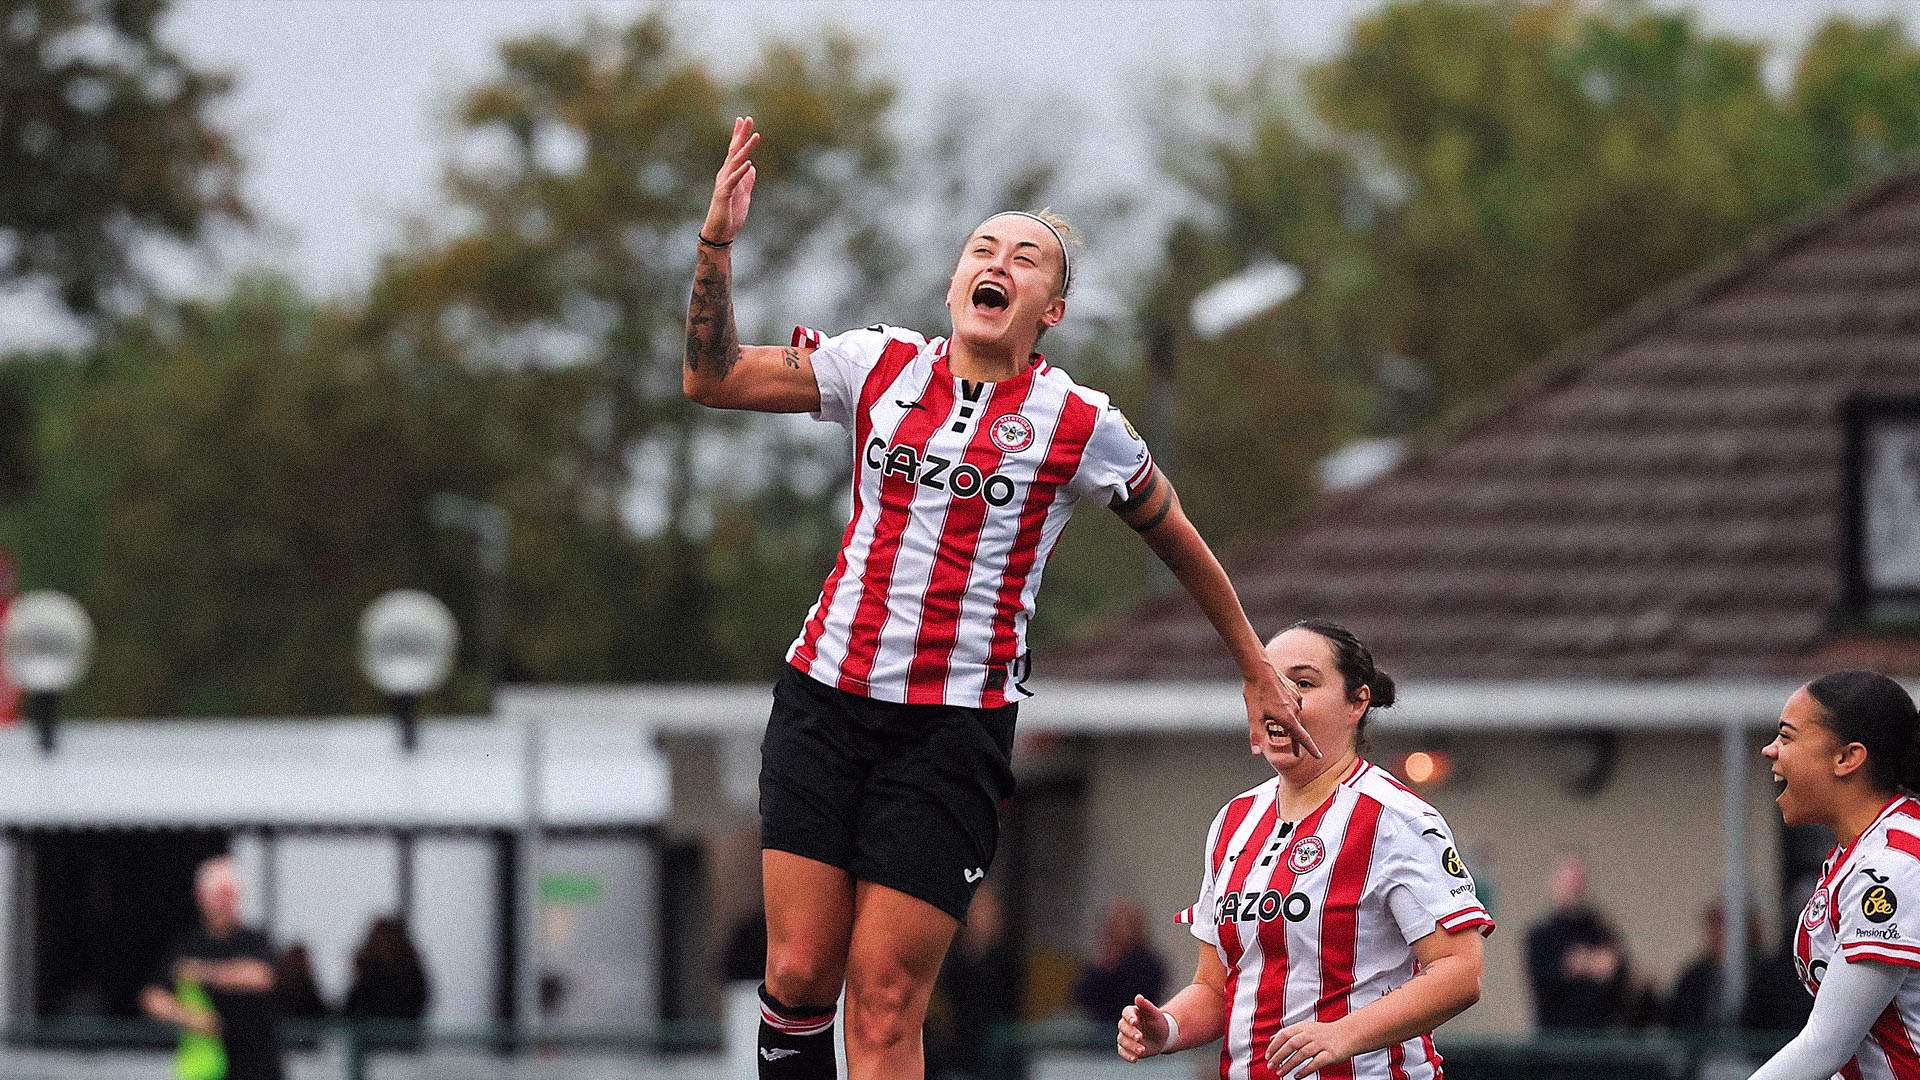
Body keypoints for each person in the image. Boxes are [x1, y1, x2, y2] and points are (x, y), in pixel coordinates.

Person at [684, 116, 1311, 1080]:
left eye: (1026, 259)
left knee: (886, 998)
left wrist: (1254, 665)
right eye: (984, 248)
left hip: (950, 730)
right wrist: (718, 242)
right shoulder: (877, 365)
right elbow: (711, 376)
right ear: (954, 282)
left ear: (1049, 309)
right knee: (801, 970)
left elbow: (1175, 534)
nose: (1000, 262)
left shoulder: (1080, 422)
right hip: (825, 700)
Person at [1116, 620, 1490, 1077]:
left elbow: (1460, 972)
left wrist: (1340, 1034)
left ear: (1358, 702)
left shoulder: (1395, 817)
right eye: (1268, 682)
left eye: (1304, 683)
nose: (1281, 699)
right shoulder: (1233, 821)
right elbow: (1216, 988)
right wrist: (1167, 1029)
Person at [1741, 671, 1920, 1080]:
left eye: (1787, 737)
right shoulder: (1860, 852)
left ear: (1847, 758)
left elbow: (1826, 1044)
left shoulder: (1894, 866)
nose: (1770, 751)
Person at [140, 856, 284, 1080]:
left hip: (259, 1069)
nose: (225, 904)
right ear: (201, 896)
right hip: (208, 1069)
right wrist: (191, 1018)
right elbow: (152, 997)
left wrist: (204, 973)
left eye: (230, 894)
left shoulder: (255, 941)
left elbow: (262, 976)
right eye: (219, 895)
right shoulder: (186, 946)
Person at [1524, 855, 1630, 1030]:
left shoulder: (1603, 931)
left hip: (1600, 1037)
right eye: (1568, 882)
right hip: (1556, 1038)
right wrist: (1588, 966)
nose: (1574, 888)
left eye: (1578, 882)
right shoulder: (1541, 936)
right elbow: (1543, 984)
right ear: (1555, 883)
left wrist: (1587, 965)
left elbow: (1620, 977)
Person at [929, 885, 1022, 1080]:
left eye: (989, 912)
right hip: (959, 1050)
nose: (984, 918)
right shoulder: (954, 956)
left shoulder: (1007, 959)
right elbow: (945, 1002)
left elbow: (1012, 1004)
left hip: (994, 1049)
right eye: (979, 911)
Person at [1072, 900, 1167, 1026]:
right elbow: (1081, 997)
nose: (1116, 929)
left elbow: (1136, 997)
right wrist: (1106, 965)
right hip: (1096, 1030)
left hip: (1133, 1027)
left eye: (1122, 923)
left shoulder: (1148, 965)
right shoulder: (1103, 959)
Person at [341, 915, 431, 1046]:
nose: (382, 943)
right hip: (368, 1050)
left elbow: (408, 1009)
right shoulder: (367, 976)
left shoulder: (407, 977)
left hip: (397, 1050)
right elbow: (351, 1011)